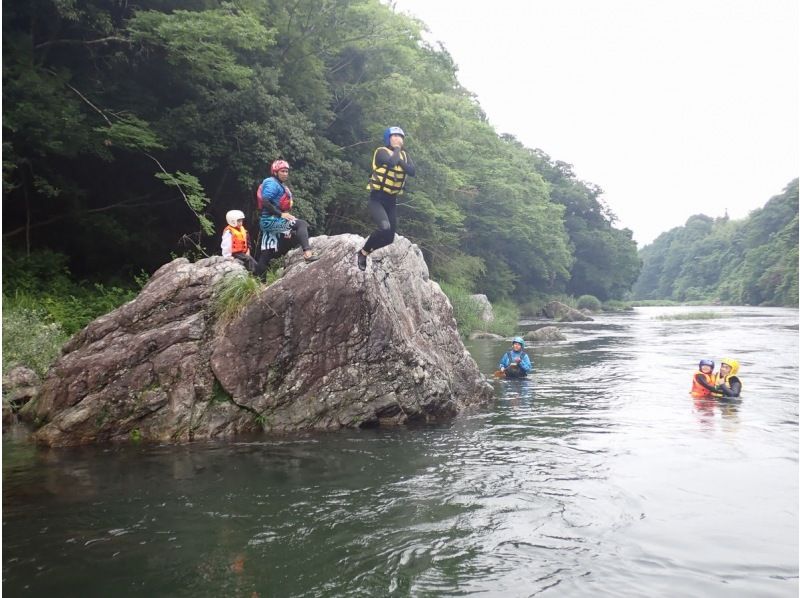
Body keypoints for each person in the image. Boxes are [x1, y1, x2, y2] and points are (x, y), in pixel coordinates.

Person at [356, 126, 416, 271]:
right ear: (388, 138)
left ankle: (367, 251)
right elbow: (390, 163)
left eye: (400, 137)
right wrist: (397, 151)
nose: (398, 139)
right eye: (394, 136)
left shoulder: (405, 156)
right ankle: (362, 253)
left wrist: (399, 158)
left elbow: (412, 171)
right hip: (377, 198)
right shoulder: (381, 152)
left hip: (391, 201)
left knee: (389, 238)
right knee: (384, 228)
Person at [256, 159, 320, 275]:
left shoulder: (279, 184)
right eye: (282, 171)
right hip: (270, 221)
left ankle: (259, 280)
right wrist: (281, 214)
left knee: (267, 253)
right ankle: (307, 253)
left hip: (270, 221)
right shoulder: (271, 183)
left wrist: (283, 215)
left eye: (286, 171)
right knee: (301, 224)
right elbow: (266, 201)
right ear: (275, 172)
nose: (285, 174)